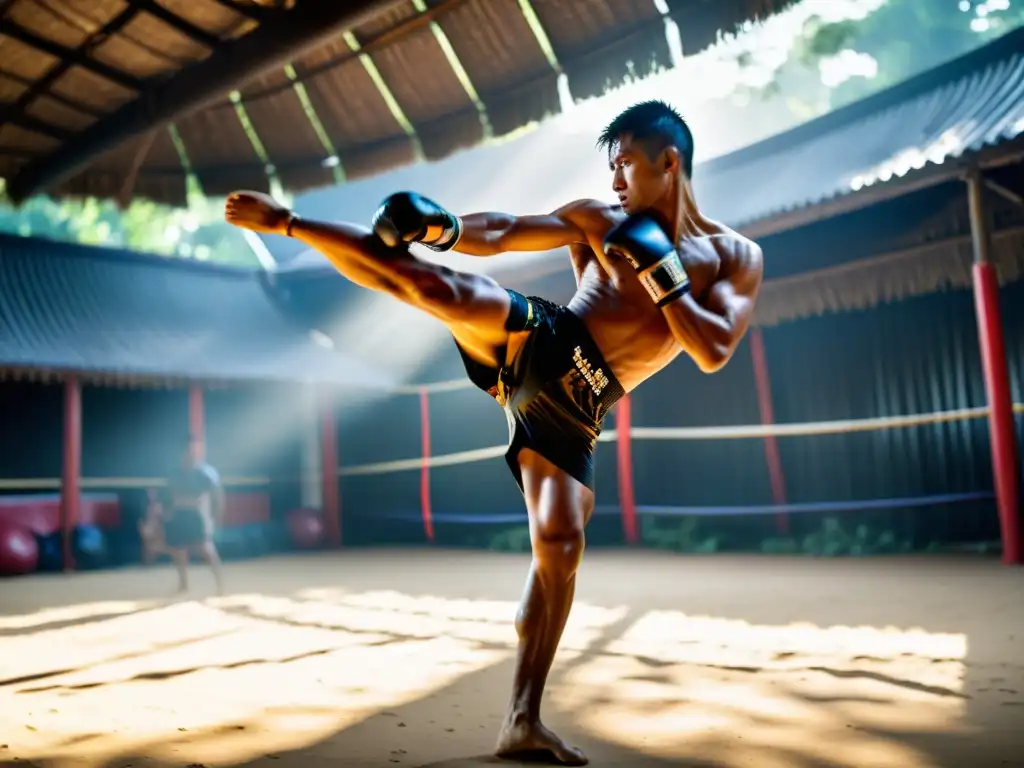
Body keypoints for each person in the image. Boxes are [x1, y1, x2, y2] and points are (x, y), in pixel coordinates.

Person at [225, 100, 763, 766]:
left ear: (669, 161)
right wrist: (445, 226)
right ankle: (291, 224)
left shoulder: (736, 256)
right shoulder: (600, 219)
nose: (617, 179)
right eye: (611, 166)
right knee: (437, 286)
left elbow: (712, 349)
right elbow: (507, 229)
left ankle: (522, 720)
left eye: (625, 163)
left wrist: (665, 279)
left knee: (560, 548)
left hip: (582, 405)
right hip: (547, 340)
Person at [161, 434, 226, 596]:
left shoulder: (205, 472)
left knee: (206, 548)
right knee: (179, 550)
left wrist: (215, 516)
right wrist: (167, 512)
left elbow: (217, 495)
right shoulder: (174, 472)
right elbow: (167, 496)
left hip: (197, 515)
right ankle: (183, 584)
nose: (190, 453)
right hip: (179, 515)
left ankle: (220, 584)